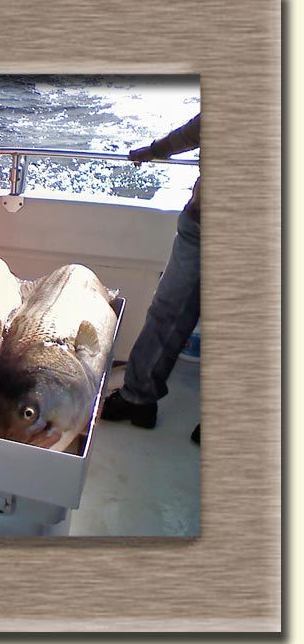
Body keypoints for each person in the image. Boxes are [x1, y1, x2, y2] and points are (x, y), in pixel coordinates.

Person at [100, 113, 201, 444]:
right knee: (167, 310)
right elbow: (190, 133)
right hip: (199, 226)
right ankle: (138, 396)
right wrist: (150, 152)